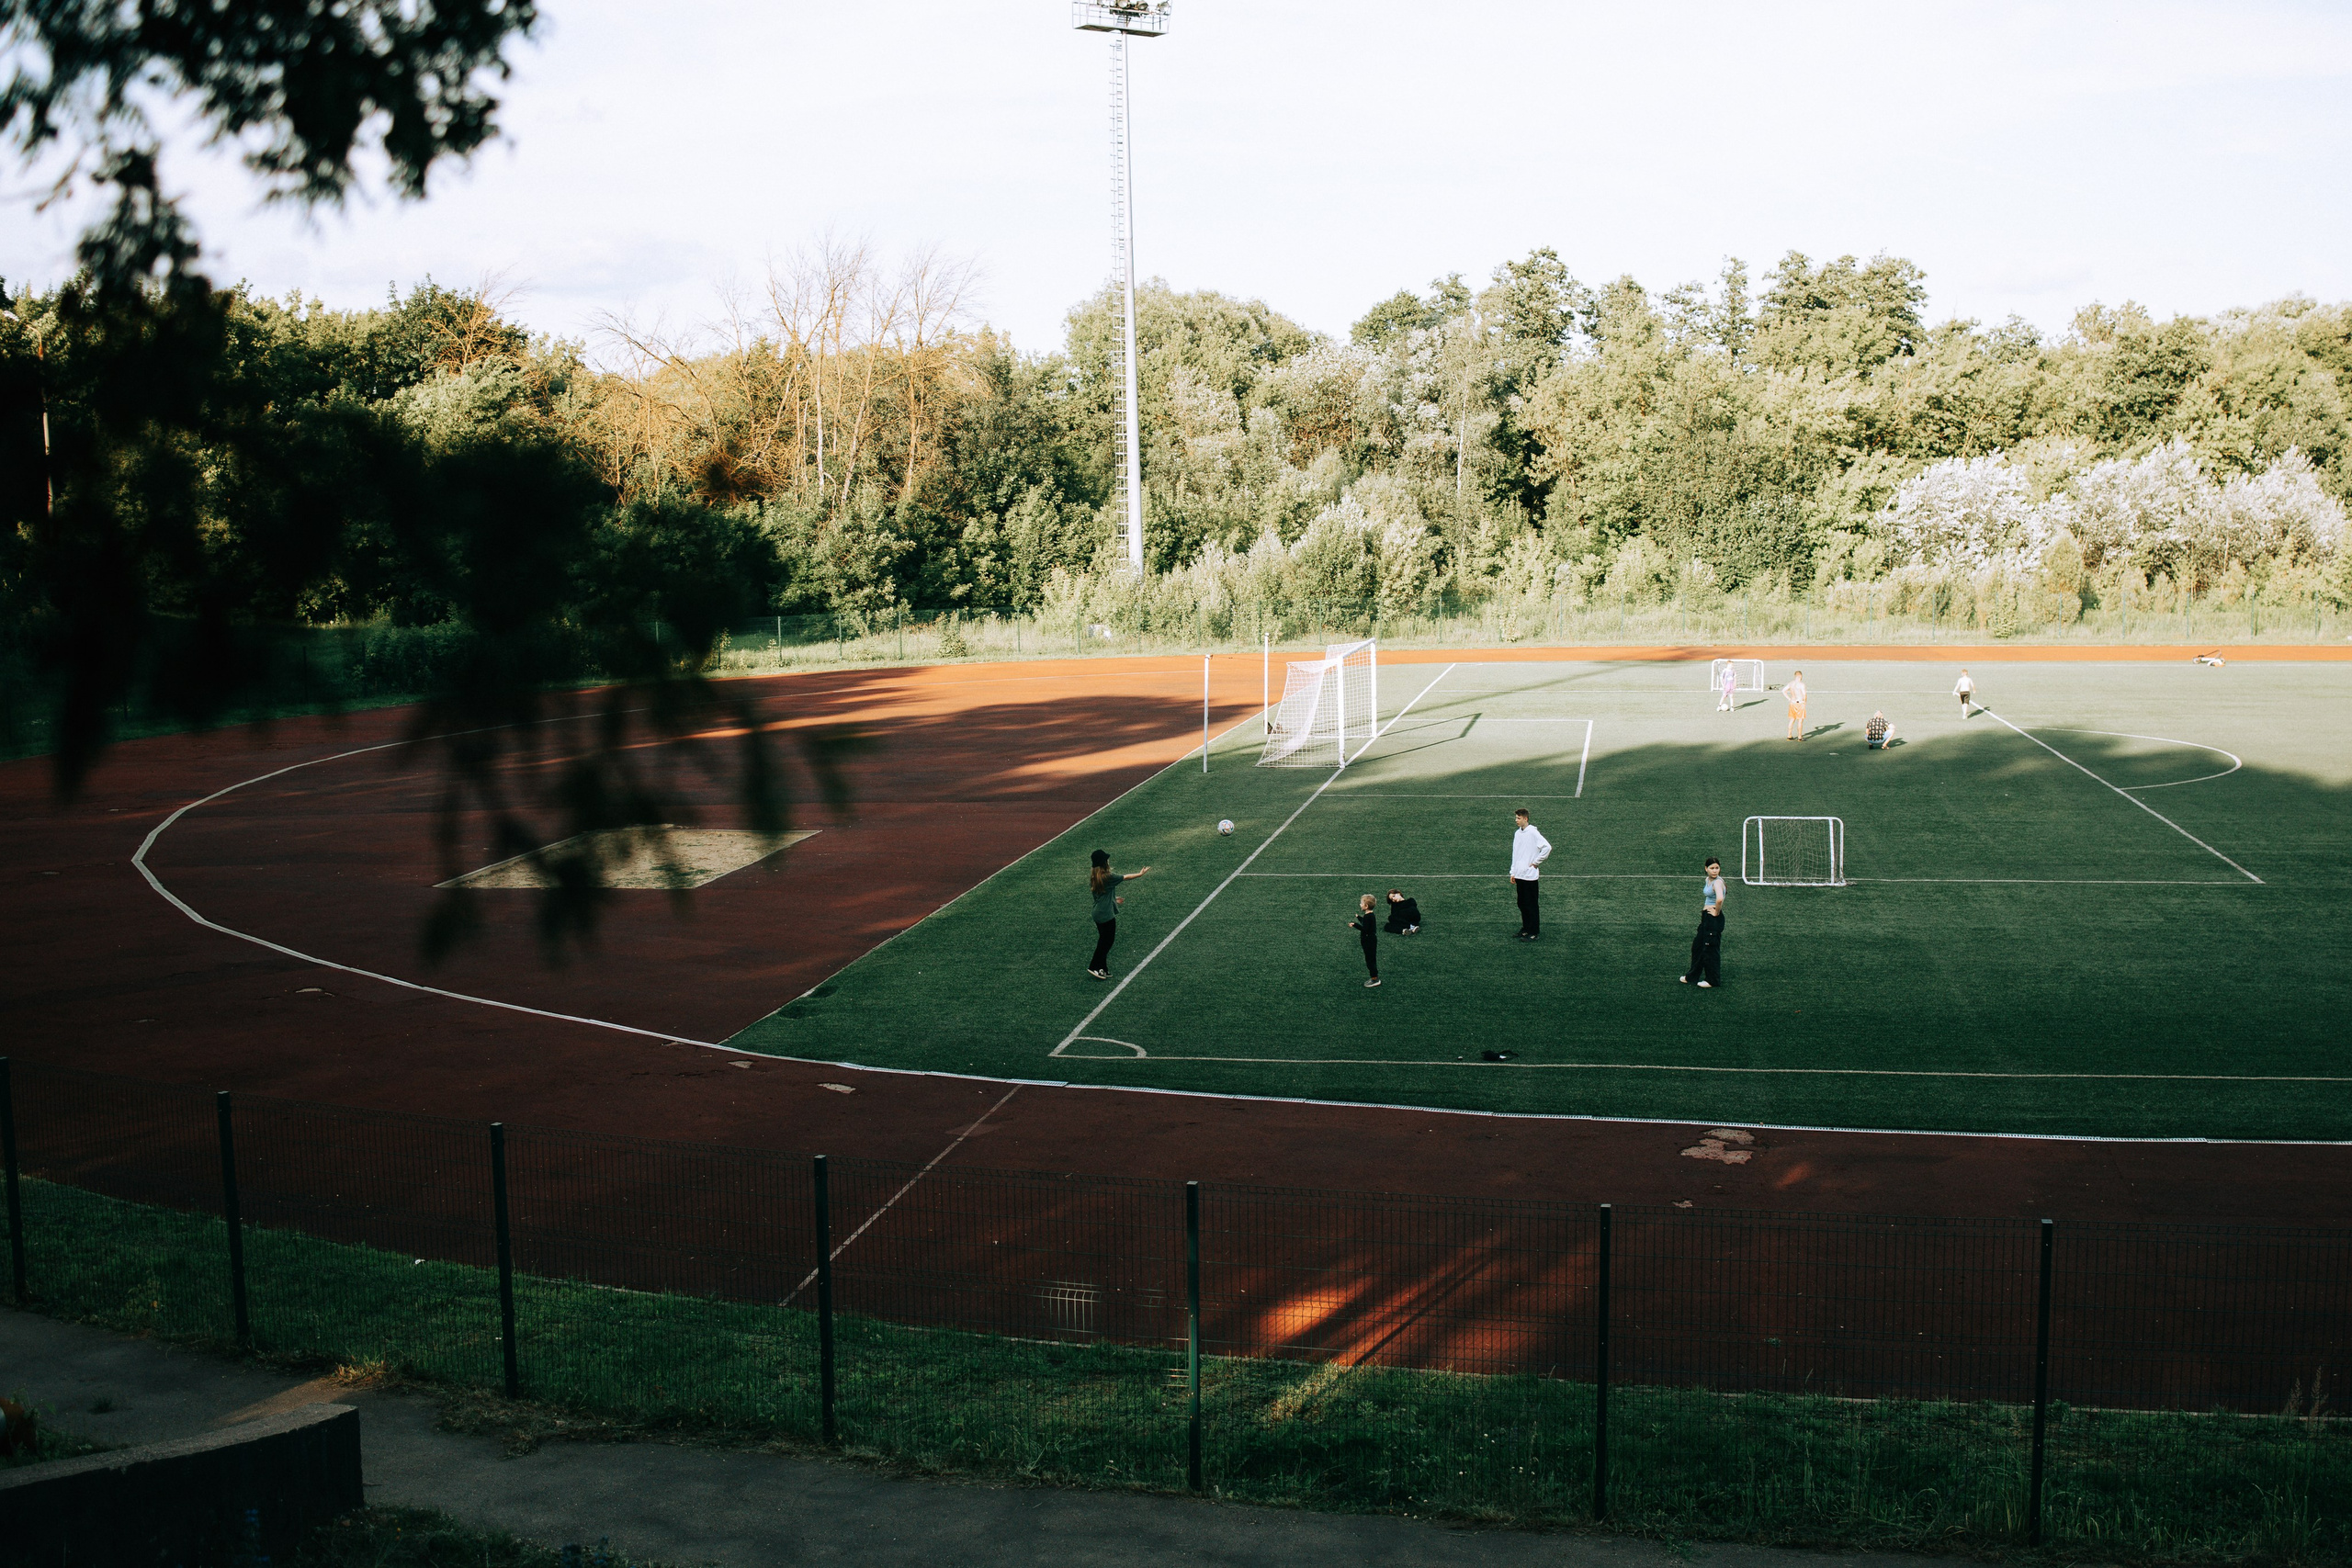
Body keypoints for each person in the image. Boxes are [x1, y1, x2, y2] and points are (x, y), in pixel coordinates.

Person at [1086, 849, 1150, 980]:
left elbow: (1101, 896)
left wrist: (1114, 900)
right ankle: (1094, 966)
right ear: (1104, 863)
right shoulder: (1107, 876)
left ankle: (1103, 968)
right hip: (1105, 915)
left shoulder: (1095, 877)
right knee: (1107, 942)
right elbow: (1125, 877)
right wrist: (1140, 874)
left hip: (1097, 912)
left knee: (1104, 940)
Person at [1679, 855, 1727, 988]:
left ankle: (1713, 980)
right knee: (1698, 946)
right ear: (1706, 869)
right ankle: (1692, 976)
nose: (1715, 870)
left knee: (1710, 950)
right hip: (1706, 918)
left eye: (1717, 868)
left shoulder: (1717, 882)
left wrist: (1716, 912)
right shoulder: (1708, 880)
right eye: (1712, 868)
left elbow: (1719, 899)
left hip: (1713, 919)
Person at [1509, 807, 1551, 941]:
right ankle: (1526, 928)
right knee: (1521, 903)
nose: (1516, 820)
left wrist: (1536, 862)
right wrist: (1513, 872)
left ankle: (1534, 931)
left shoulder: (1533, 832)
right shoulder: (1517, 833)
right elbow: (1515, 854)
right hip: (1520, 875)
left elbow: (1547, 847)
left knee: (1531, 904)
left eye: (1519, 818)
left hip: (1530, 876)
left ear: (1525, 819)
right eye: (1516, 818)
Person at [1348, 893, 1381, 987]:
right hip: (1371, 939)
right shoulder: (1370, 915)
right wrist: (1358, 917)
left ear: (1366, 906)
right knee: (1371, 958)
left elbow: (1365, 929)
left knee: (1370, 960)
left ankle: (1375, 978)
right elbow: (1366, 923)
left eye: (1361, 903)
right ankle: (1374, 977)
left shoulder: (1368, 917)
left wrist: (1354, 925)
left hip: (1368, 941)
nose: (1360, 904)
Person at [1784, 669, 1808, 740]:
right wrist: (1805, 702)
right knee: (1800, 720)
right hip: (1800, 703)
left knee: (1792, 719)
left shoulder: (1791, 683)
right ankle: (1800, 737)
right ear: (1800, 676)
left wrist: (1789, 698)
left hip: (1792, 703)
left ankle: (1789, 735)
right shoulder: (1802, 684)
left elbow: (1783, 691)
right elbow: (1804, 694)